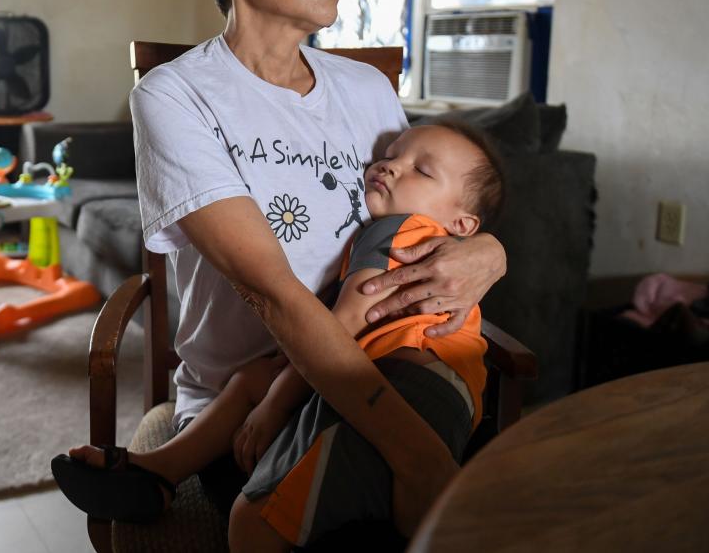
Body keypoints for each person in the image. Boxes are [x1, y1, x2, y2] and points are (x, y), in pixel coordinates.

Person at [53, 0, 508, 536]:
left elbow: (431, 209)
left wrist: (490, 250)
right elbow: (274, 293)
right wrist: (419, 457)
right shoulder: (175, 95)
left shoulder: (367, 90)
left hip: (379, 364)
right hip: (246, 411)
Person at [52, 121, 504, 551]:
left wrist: (277, 405)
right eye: (389, 156)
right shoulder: (423, 239)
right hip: (430, 393)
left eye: (421, 171)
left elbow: (342, 329)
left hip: (402, 388)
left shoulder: (400, 229)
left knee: (253, 523)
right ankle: (162, 470)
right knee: (253, 378)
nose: (389, 166)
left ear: (463, 226)